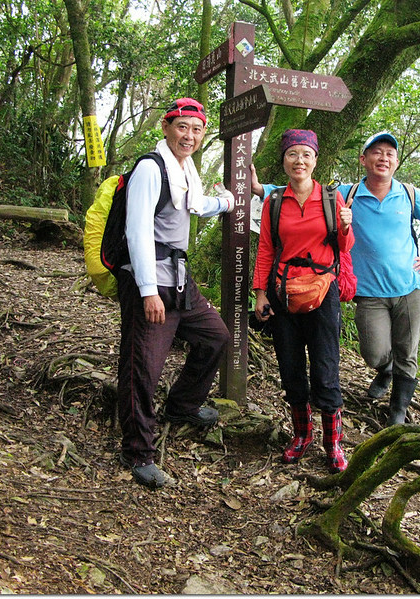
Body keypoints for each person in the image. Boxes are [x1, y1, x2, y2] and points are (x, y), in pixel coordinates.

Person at [252, 131, 420, 426]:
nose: (383, 158)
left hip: (410, 285)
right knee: (374, 352)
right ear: (363, 159)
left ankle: (398, 413)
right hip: (370, 290)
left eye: (389, 154)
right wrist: (259, 188)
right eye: (376, 153)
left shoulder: (409, 194)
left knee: (408, 351)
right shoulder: (347, 194)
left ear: (396, 162)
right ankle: (385, 368)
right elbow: (300, 185)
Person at [117, 97, 235, 489]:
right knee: (143, 368)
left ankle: (182, 405)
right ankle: (138, 452)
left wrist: (227, 202)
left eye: (197, 129)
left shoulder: (185, 169)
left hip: (180, 280)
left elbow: (194, 205)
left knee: (215, 337)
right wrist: (147, 290)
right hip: (151, 282)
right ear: (166, 128)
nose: (190, 135)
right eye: (182, 126)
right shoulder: (151, 169)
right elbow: (137, 231)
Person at [252, 129, 355, 473]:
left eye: (306, 155)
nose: (299, 161)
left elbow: (345, 246)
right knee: (290, 365)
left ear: (315, 160)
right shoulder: (274, 201)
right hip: (283, 293)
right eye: (293, 154)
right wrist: (260, 293)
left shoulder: (330, 198)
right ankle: (301, 435)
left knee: (326, 366)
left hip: (322, 293)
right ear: (284, 161)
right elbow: (266, 248)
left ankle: (333, 443)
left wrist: (345, 226)